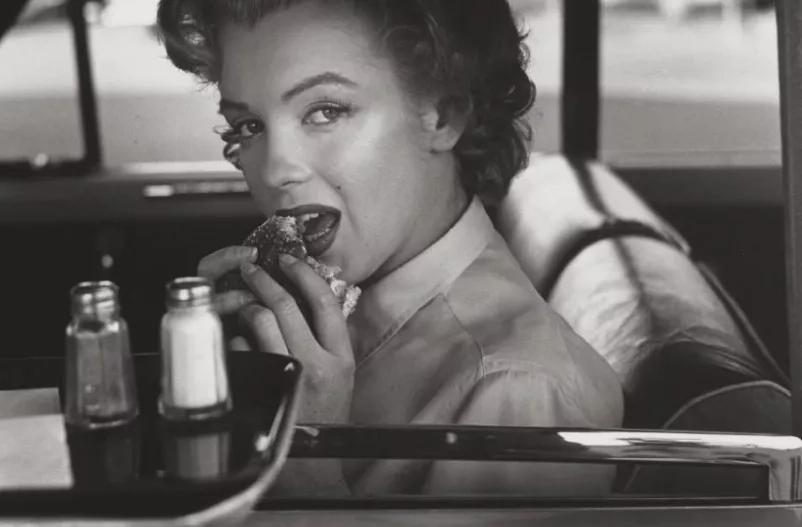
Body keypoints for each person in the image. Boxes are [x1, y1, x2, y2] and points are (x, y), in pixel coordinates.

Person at [157, 0, 624, 497]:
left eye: (325, 111)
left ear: (443, 115)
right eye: (249, 126)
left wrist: (305, 454)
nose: (275, 171)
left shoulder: (520, 392)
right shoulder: (308, 302)